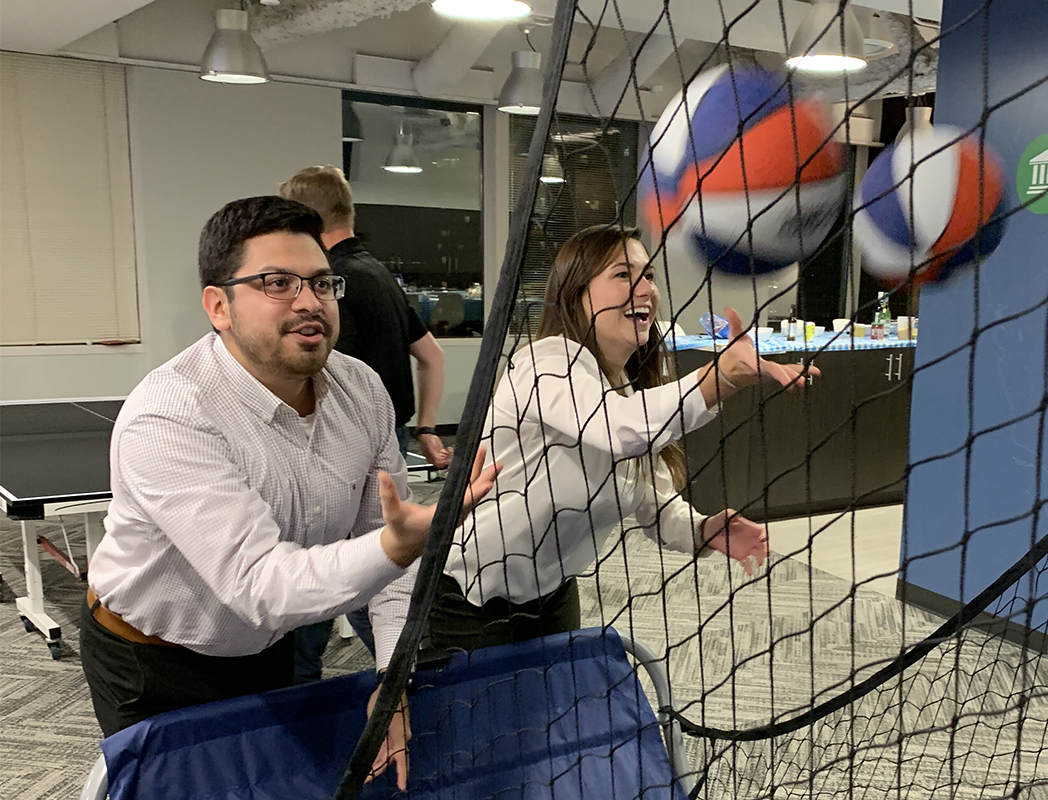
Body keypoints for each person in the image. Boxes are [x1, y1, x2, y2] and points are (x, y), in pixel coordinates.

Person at [80, 197, 497, 787]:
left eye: (323, 283)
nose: (309, 302)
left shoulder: (363, 391)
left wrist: (390, 675)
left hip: (268, 646)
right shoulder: (170, 413)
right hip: (151, 660)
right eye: (277, 283)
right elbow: (263, 584)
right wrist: (394, 548)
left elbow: (388, 545)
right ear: (218, 306)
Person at [374, 224, 818, 656]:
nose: (645, 288)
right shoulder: (546, 363)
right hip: (468, 599)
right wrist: (718, 378)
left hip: (553, 593)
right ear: (576, 294)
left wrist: (705, 530)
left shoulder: (624, 388)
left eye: (648, 276)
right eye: (624, 275)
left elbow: (654, 505)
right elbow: (618, 429)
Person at [279, 166, 452, 680]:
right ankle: (411, 674)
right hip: (389, 439)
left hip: (337, 449)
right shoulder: (381, 275)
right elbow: (434, 356)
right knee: (376, 570)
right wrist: (427, 427)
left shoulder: (321, 290)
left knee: (315, 602)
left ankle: (314, 700)